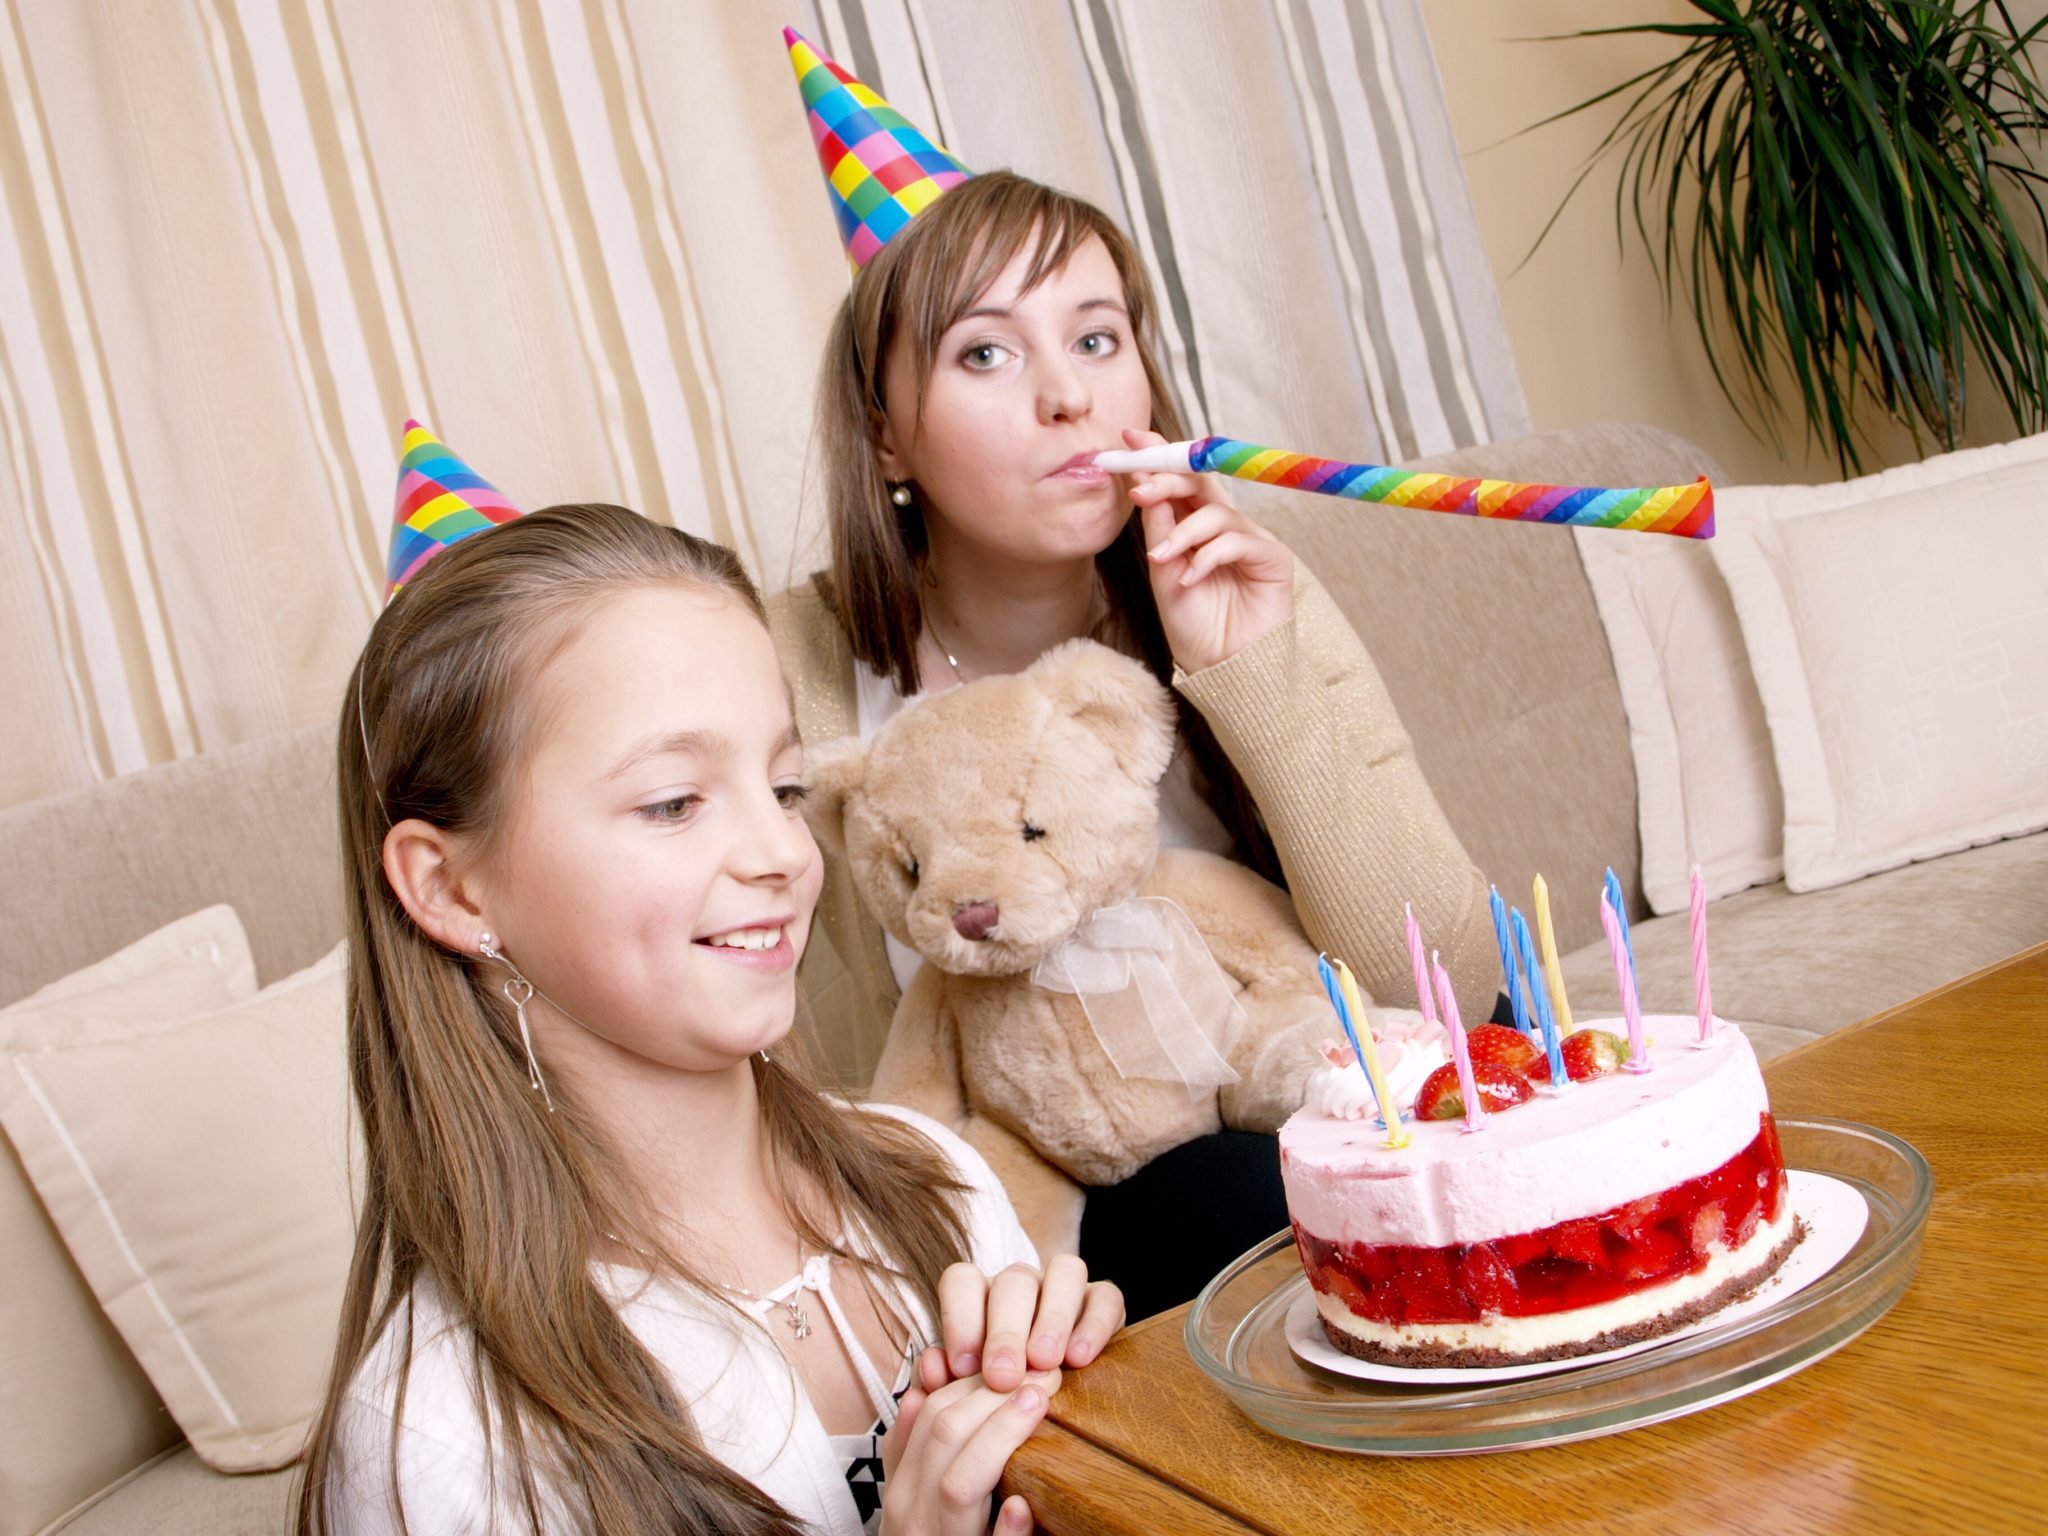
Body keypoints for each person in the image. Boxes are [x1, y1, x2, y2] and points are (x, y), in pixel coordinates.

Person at [768, 37, 1497, 1314]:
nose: (1067, 397)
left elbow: (1444, 988)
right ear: (883, 432)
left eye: (1097, 339)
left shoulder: (1243, 589)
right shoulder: (794, 672)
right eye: (984, 354)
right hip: (1009, 1245)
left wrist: (1249, 680)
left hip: (1295, 1161)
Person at [296, 429, 1122, 1536]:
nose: (780, 854)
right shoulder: (444, 1434)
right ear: (450, 889)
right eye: (673, 802)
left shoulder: (937, 1186)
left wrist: (1110, 1449)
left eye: (782, 786)